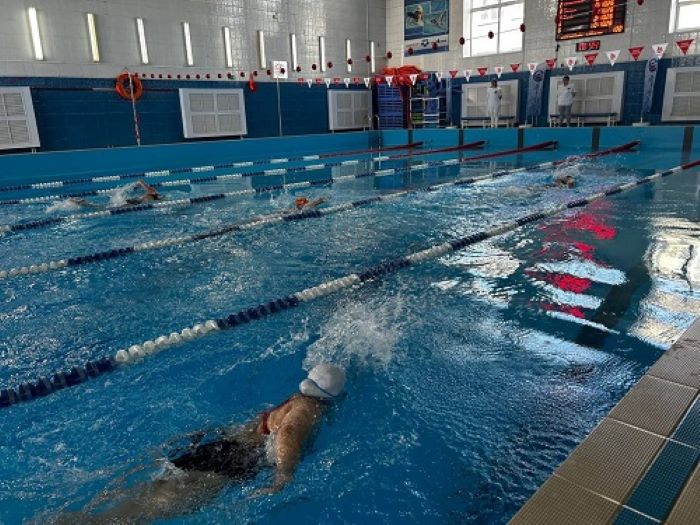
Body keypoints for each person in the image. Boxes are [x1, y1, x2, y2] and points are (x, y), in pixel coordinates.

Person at [52, 364, 346, 524]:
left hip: (219, 448)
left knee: (140, 496)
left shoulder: (290, 400)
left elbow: (251, 428)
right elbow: (289, 433)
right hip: (230, 461)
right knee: (138, 513)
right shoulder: (309, 408)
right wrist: (283, 476)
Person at [68, 180, 163, 209]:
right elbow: (140, 181)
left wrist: (140, 185)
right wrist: (141, 185)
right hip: (133, 202)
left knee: (105, 207)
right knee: (105, 208)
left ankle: (84, 203)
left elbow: (140, 181)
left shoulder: (153, 194)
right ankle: (84, 203)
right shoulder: (153, 193)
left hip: (133, 201)